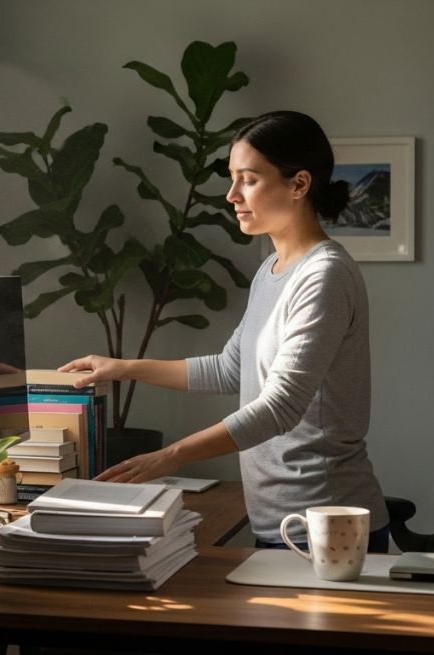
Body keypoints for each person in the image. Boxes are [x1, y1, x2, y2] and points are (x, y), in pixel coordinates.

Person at [59, 110, 390, 552]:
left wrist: (170, 457)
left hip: (325, 523)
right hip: (278, 522)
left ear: (298, 184)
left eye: (248, 180)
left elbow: (280, 407)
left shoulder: (324, 276)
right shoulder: (271, 271)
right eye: (232, 179)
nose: (232, 195)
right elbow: (229, 369)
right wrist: (122, 368)